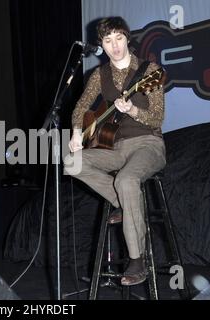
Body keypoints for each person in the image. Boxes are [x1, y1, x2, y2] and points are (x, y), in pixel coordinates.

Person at [64, 17, 166, 286]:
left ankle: (137, 259)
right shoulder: (99, 75)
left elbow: (157, 117)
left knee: (126, 179)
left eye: (119, 38)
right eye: (108, 41)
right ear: (102, 45)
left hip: (148, 144)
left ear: (127, 39)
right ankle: (127, 204)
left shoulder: (150, 70)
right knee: (71, 163)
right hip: (115, 147)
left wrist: (132, 110)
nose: (115, 46)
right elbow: (80, 106)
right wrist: (76, 132)